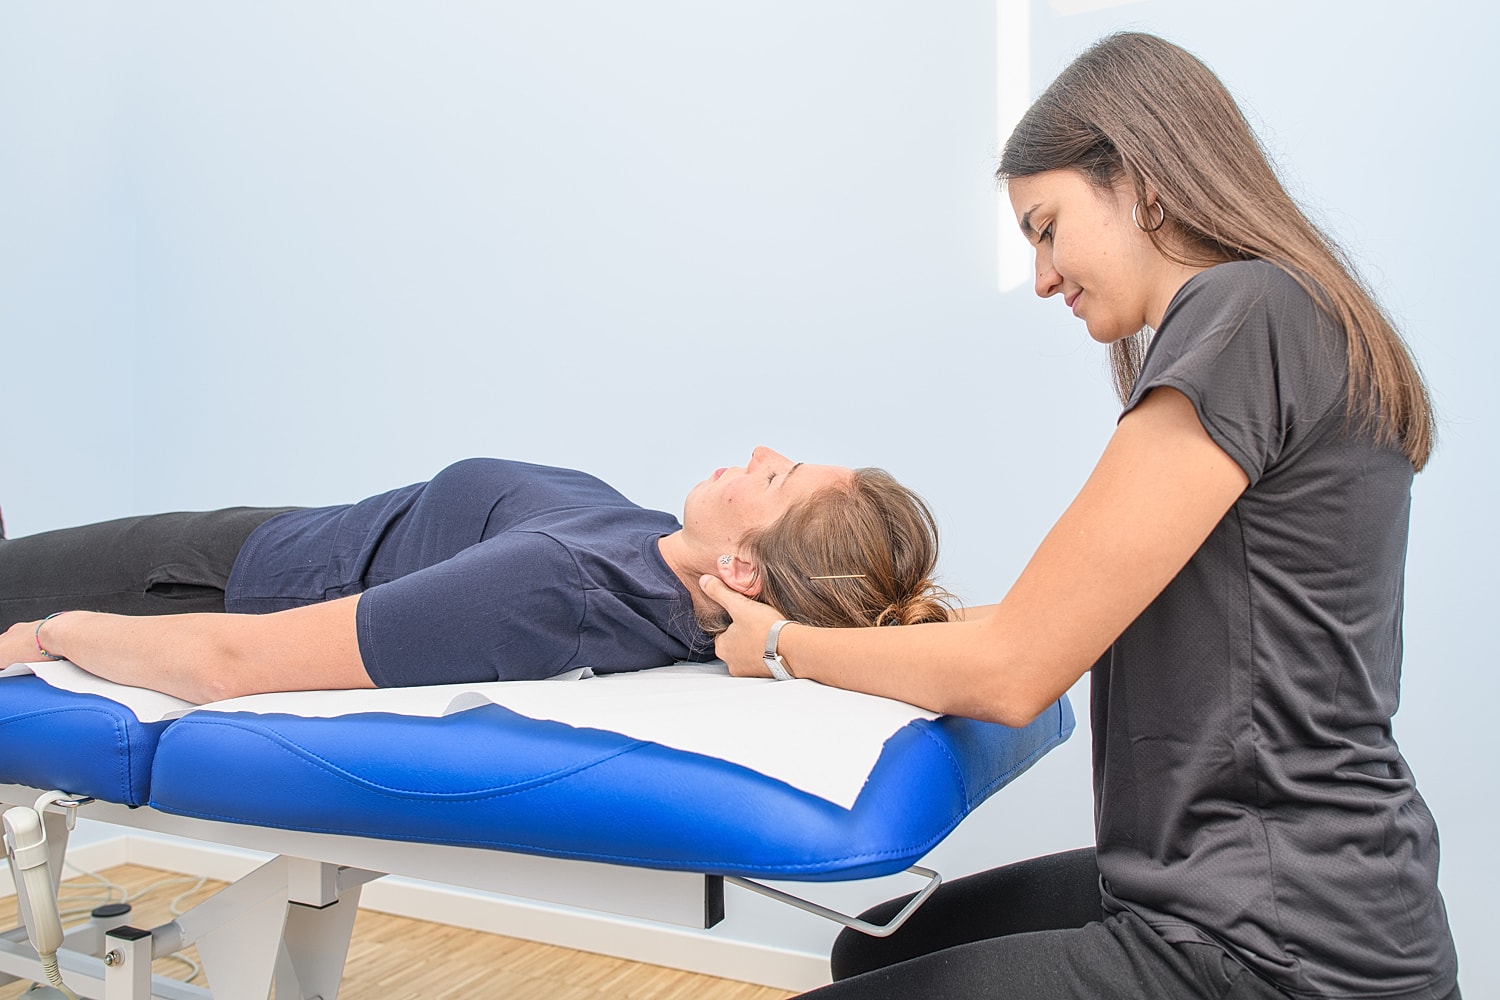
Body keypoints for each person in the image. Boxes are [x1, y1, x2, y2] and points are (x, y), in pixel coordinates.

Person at [700, 32, 1459, 1000]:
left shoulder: (1248, 310)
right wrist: (870, 624)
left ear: (1140, 180)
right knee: (872, 949)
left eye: (1047, 227)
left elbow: (1019, 667)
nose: (1045, 275)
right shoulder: (1286, 313)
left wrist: (779, 646)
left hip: (1274, 941)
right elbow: (1072, 614)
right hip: (1261, 884)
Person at [0, 447, 952, 704]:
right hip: (273, 539)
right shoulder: (656, 558)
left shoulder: (559, 586)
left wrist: (52, 636)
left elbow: (227, 662)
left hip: (204, 585)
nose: (758, 450)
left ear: (741, 569)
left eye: (776, 477)